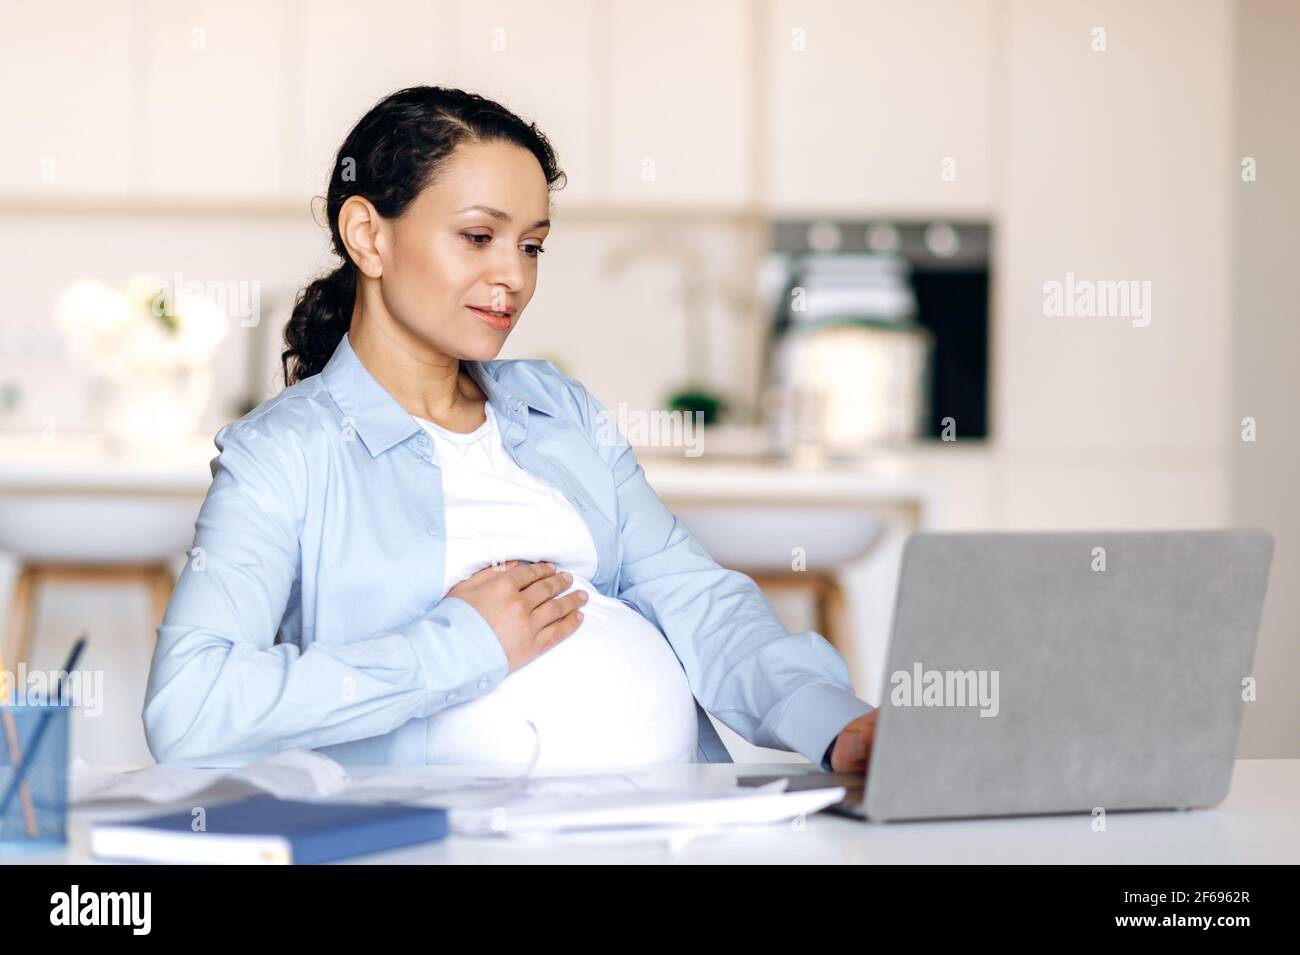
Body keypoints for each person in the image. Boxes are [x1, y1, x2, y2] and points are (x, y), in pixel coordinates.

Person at [142, 86, 878, 772]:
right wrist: (459, 645)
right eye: (477, 236)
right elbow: (190, 703)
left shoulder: (558, 409)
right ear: (368, 236)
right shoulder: (284, 452)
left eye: (530, 245)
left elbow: (695, 597)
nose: (514, 277)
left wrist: (833, 725)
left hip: (676, 824)